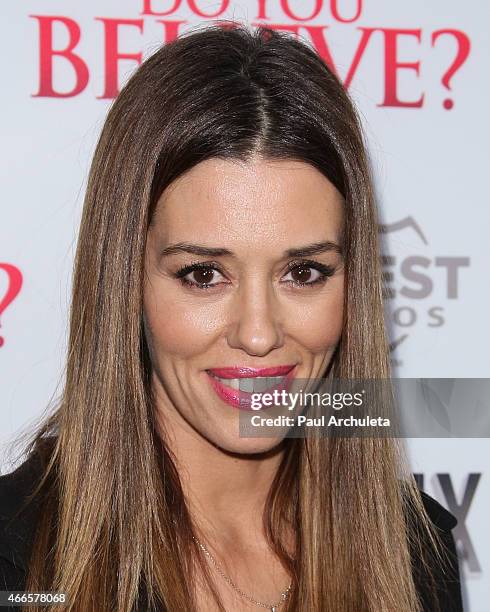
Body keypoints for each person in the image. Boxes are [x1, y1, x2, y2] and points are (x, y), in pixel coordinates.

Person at [0, 22, 463, 612]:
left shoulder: (414, 554)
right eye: (202, 275)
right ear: (125, 282)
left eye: (303, 273)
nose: (258, 333)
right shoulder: (18, 567)